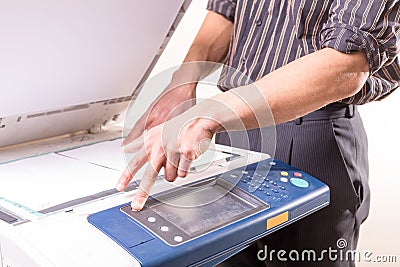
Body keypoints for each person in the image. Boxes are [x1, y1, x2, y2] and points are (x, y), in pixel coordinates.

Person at [116, 0, 400, 266]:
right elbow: (226, 11)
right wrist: (181, 82)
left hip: (309, 134)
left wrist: (211, 112)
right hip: (231, 131)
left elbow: (347, 63)